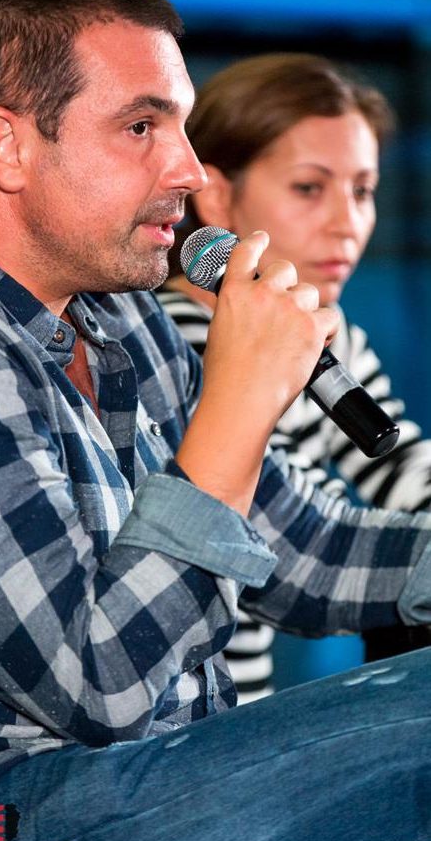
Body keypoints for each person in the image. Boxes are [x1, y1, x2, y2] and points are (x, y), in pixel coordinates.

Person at [0, 0, 431, 841]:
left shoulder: (123, 317)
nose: (189, 171)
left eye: (184, 127)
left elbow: (303, 546)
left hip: (150, 787)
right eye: (141, 126)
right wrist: (239, 402)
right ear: (6, 146)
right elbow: (102, 684)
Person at [159, 52, 431, 701]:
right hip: (194, 725)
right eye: (310, 188)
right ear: (216, 196)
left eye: (363, 190)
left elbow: (399, 465)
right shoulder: (176, 336)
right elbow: (301, 524)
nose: (347, 223)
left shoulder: (329, 331)